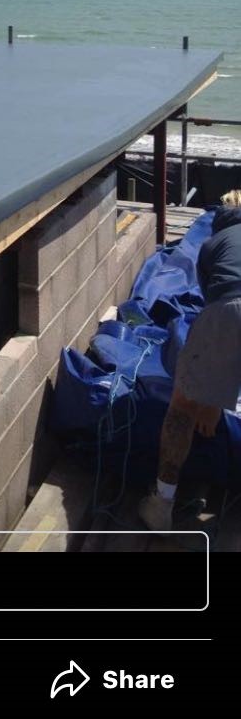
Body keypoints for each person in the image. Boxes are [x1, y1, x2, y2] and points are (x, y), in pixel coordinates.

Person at [139, 189, 241, 531]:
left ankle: (161, 504)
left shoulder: (213, 245)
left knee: (182, 407)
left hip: (229, 306)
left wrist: (208, 401)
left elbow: (220, 319)